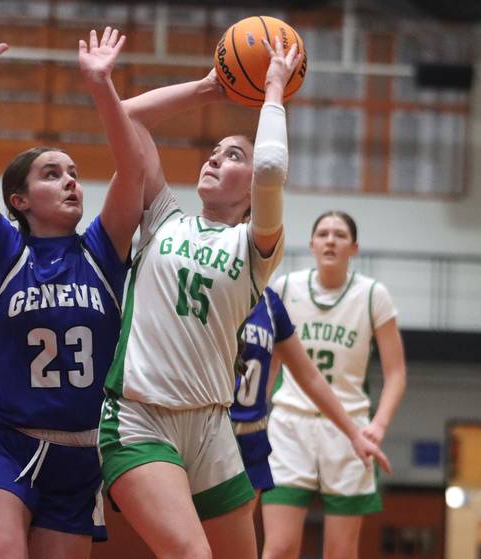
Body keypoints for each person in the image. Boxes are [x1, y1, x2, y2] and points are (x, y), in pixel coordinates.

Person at [0, 4, 144, 558]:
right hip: (1, 440)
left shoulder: (104, 251)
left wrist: (102, 86)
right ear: (19, 199)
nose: (71, 182)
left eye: (75, 174)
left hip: (80, 453)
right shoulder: (4, 250)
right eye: (52, 174)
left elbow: (132, 171)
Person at [96, 37, 303, 559]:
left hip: (211, 423)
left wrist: (273, 90)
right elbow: (127, 118)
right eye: (213, 152)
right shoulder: (164, 216)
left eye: (232, 155)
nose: (214, 158)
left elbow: (272, 170)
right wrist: (211, 87)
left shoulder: (255, 247)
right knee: (191, 555)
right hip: (138, 418)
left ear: (251, 190)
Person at [263, 210, 408, 559]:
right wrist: (254, 415)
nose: (330, 240)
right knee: (280, 547)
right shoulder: (284, 288)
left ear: (354, 247)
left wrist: (379, 425)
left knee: (341, 552)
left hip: (349, 430)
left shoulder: (373, 295)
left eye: (340, 235)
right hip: (290, 425)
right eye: (323, 233)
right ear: (311, 244)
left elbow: (397, 372)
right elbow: (268, 362)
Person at [231, 286, 391, 507]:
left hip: (250, 435)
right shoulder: (207, 287)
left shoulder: (269, 302)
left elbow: (310, 376)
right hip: (213, 431)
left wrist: (354, 435)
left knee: (238, 540)